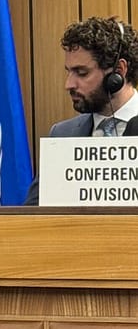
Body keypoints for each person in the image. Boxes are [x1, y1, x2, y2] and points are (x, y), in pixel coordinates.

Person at [23, 16, 138, 205]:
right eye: (68, 72)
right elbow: (33, 212)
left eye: (82, 73)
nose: (68, 84)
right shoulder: (62, 134)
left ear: (118, 71)